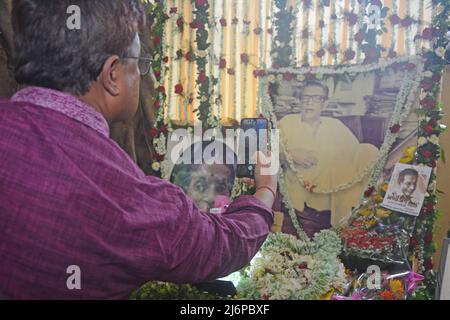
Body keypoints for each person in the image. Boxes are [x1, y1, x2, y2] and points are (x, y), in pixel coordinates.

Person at [0, 0, 277, 299]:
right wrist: (265, 191)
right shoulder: (120, 197)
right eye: (139, 62)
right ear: (112, 74)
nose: (142, 73)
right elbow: (219, 246)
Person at [277, 80, 378, 238]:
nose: (310, 103)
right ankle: (350, 226)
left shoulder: (335, 125)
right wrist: (289, 154)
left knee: (368, 150)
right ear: (300, 100)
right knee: (342, 168)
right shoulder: (286, 123)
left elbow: (357, 155)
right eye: (306, 97)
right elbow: (267, 156)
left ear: (324, 103)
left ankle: (367, 209)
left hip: (335, 187)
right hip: (305, 189)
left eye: (316, 99)